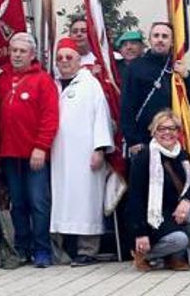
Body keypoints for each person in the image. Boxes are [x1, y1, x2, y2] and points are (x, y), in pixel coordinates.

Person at [0, 33, 59, 268]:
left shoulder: (43, 80)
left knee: (38, 202)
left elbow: (50, 118)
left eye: (22, 51)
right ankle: (22, 248)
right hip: (9, 154)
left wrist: (41, 147)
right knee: (17, 203)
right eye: (14, 50)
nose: (17, 55)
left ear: (32, 54)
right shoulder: (0, 80)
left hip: (34, 155)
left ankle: (42, 250)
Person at [51, 38, 115, 267]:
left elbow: (101, 116)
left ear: (79, 60)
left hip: (86, 154)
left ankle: (88, 249)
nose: (64, 61)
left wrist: (100, 148)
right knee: (62, 201)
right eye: (60, 58)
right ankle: (62, 249)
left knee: (86, 200)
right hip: (59, 155)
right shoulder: (54, 85)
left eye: (69, 57)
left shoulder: (90, 84)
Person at [126, 110, 190, 272]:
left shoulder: (182, 155)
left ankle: (174, 257)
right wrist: (140, 232)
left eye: (172, 128)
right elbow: (135, 197)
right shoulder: (144, 156)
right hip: (150, 219)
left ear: (178, 132)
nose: (167, 132)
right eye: (162, 128)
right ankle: (143, 254)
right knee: (180, 239)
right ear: (154, 131)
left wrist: (187, 201)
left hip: (173, 213)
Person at [120, 22, 190, 154]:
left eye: (165, 36)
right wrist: (133, 140)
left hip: (174, 139)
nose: (160, 39)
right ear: (150, 40)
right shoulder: (135, 68)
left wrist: (187, 77)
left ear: (172, 42)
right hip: (143, 141)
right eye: (156, 36)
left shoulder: (178, 69)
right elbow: (127, 107)